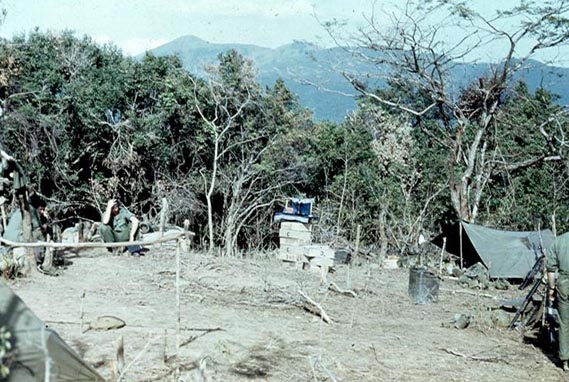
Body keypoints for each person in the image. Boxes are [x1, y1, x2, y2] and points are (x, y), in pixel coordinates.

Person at [547, 232, 569, 371]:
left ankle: (565, 360)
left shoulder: (559, 241)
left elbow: (550, 269)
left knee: (564, 322)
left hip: (564, 284)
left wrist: (552, 288)